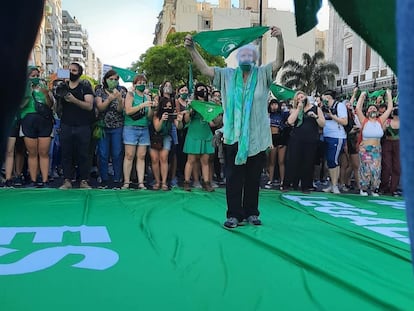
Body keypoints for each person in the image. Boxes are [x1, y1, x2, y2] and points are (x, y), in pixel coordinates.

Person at [184, 26, 285, 228]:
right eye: (243, 54)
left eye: (250, 54)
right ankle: (234, 215)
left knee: (252, 178)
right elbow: (205, 70)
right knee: (233, 178)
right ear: (238, 58)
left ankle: (251, 213)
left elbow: (279, 62)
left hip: (256, 138)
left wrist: (280, 39)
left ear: (255, 58)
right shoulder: (227, 75)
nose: (246, 57)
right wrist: (192, 50)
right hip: (232, 136)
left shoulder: (263, 74)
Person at [59, 62, 95, 189]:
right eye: (68, 70)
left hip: (83, 125)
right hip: (66, 124)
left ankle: (83, 180)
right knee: (66, 153)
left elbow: (89, 105)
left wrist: (74, 100)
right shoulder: (62, 86)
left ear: (80, 73)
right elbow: (54, 104)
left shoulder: (85, 86)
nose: (71, 72)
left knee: (83, 154)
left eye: (74, 70)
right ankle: (67, 180)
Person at [284, 92, 325, 193]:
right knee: (293, 161)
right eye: (298, 98)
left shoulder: (316, 108)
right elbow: (290, 121)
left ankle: (306, 186)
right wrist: (299, 109)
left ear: (306, 97)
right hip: (296, 138)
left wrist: (315, 116)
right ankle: (288, 184)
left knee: (308, 162)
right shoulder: (295, 109)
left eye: (302, 97)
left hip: (310, 139)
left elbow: (323, 124)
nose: (300, 99)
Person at [20, 67, 54, 187]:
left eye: (36, 75)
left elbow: (50, 105)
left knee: (44, 152)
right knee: (32, 153)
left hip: (44, 121)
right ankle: (33, 180)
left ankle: (45, 180)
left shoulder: (44, 87)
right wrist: (28, 94)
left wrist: (46, 95)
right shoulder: (22, 89)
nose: (35, 78)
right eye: (32, 76)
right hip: (28, 120)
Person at [355, 89, 393, 196]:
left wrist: (389, 95)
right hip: (365, 149)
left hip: (376, 149)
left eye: (374, 108)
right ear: (367, 112)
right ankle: (363, 188)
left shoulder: (380, 121)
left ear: (377, 112)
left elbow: (389, 108)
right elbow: (358, 108)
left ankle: (374, 188)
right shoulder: (364, 121)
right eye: (370, 108)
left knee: (376, 169)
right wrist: (362, 96)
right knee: (365, 169)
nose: (372, 109)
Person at [122, 74, 154, 190]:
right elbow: (128, 111)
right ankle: (126, 182)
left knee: (141, 156)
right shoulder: (130, 95)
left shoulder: (148, 97)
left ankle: (141, 182)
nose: (142, 84)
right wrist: (142, 105)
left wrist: (152, 108)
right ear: (134, 84)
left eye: (143, 82)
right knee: (129, 155)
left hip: (144, 128)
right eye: (139, 83)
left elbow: (150, 117)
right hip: (130, 128)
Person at [182, 82, 215, 192]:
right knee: (191, 159)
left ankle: (206, 182)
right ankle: (186, 182)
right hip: (194, 132)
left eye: (204, 89)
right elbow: (186, 120)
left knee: (205, 160)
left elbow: (213, 122)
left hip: (205, 133)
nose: (203, 91)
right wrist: (189, 110)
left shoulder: (209, 104)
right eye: (200, 89)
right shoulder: (192, 103)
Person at [95, 69, 125, 189]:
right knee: (103, 153)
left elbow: (120, 110)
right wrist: (110, 98)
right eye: (111, 79)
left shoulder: (122, 91)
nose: (113, 81)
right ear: (105, 80)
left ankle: (117, 179)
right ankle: (104, 179)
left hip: (117, 126)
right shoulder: (99, 91)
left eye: (116, 79)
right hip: (103, 126)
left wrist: (118, 99)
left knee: (117, 153)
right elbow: (100, 107)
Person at [150, 97, 183, 190]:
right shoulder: (156, 114)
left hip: (166, 137)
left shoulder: (172, 116)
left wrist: (180, 120)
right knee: (155, 159)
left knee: (164, 158)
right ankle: (157, 181)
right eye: (165, 106)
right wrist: (162, 120)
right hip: (155, 137)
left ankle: (164, 182)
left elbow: (179, 127)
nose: (167, 108)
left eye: (169, 106)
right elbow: (157, 128)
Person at [321, 89, 348, 194]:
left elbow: (344, 121)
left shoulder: (339, 106)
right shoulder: (323, 107)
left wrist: (332, 116)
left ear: (328, 97)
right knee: (329, 161)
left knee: (334, 160)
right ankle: (332, 184)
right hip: (326, 135)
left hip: (337, 136)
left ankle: (335, 185)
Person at [380, 105, 401, 196]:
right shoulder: (387, 121)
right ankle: (383, 187)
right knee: (386, 166)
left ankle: (393, 188)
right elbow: (381, 131)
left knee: (397, 167)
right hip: (388, 143)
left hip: (399, 144)